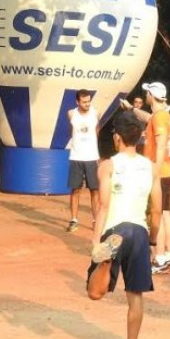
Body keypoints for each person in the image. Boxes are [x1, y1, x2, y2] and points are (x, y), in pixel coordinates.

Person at [86, 112, 161, 339]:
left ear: (116, 137)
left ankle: (105, 264)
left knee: (94, 293)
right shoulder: (151, 166)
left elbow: (103, 205)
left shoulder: (108, 165)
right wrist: (152, 242)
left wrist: (97, 241)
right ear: (139, 137)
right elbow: (157, 210)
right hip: (139, 231)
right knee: (135, 296)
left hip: (115, 229)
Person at [137, 82, 170, 273]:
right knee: (165, 212)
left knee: (156, 213)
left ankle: (159, 257)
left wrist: (155, 172)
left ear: (152, 95)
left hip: (158, 171)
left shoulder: (160, 117)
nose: (146, 96)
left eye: (147, 93)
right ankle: (168, 254)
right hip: (164, 170)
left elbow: (160, 145)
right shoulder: (164, 115)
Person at [65, 89, 100, 232]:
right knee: (75, 189)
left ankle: (95, 220)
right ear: (77, 102)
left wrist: (93, 147)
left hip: (92, 157)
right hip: (76, 157)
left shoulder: (96, 113)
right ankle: (74, 219)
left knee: (95, 190)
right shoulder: (71, 114)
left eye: (89, 101)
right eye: (84, 102)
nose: (87, 104)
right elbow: (71, 131)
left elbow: (97, 129)